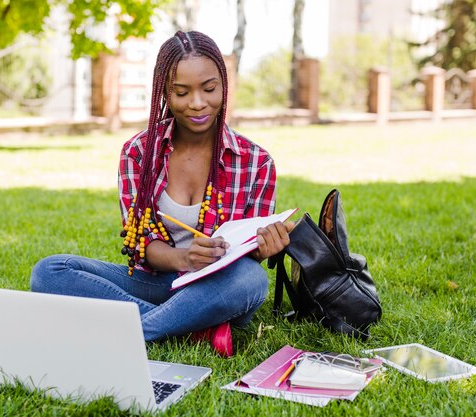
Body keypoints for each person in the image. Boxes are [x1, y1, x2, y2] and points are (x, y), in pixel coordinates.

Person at [30, 30, 293, 357]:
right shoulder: (139, 154)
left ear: (224, 86)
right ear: (164, 95)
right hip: (159, 283)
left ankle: (136, 328)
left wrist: (265, 246)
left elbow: (249, 255)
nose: (198, 103)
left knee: (251, 278)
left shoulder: (256, 162)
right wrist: (186, 258)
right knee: (50, 272)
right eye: (181, 92)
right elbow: (142, 244)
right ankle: (193, 325)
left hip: (218, 288)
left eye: (209, 89)